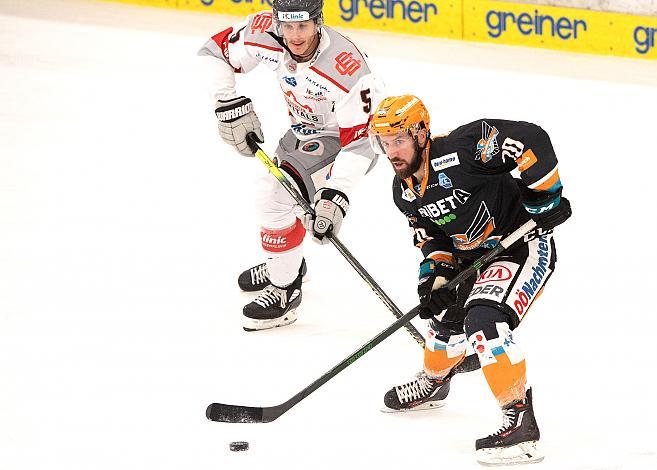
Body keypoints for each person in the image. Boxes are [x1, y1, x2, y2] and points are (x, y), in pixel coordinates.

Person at [368, 95, 571, 466]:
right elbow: (432, 237)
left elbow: (531, 139)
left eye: (398, 139)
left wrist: (545, 197)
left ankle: (520, 420)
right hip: (473, 261)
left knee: (484, 322)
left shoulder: (464, 149)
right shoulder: (403, 190)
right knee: (444, 328)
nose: (391, 150)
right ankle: (435, 382)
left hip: (523, 245)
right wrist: (434, 279)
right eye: (384, 142)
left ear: (420, 133)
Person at [198, 0, 383, 331]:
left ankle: (285, 291)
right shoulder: (265, 32)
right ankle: (288, 266)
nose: (295, 36)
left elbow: (365, 142)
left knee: (273, 197)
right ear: (277, 21)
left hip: (343, 143)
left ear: (318, 22)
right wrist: (226, 103)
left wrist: (335, 194)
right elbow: (214, 51)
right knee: (284, 198)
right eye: (288, 26)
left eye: (303, 26)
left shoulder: (349, 70)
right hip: (300, 133)